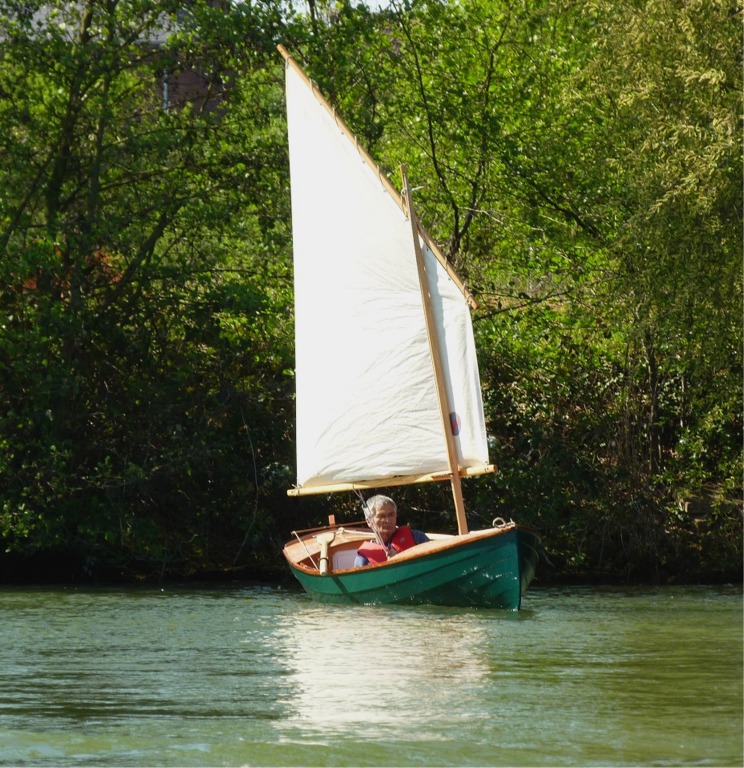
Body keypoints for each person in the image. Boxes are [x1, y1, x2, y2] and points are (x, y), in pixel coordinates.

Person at [354, 495, 429, 567]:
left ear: (396, 516)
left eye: (391, 515)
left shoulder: (417, 538)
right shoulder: (363, 559)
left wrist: (402, 558)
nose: (387, 520)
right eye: (382, 516)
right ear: (369, 521)